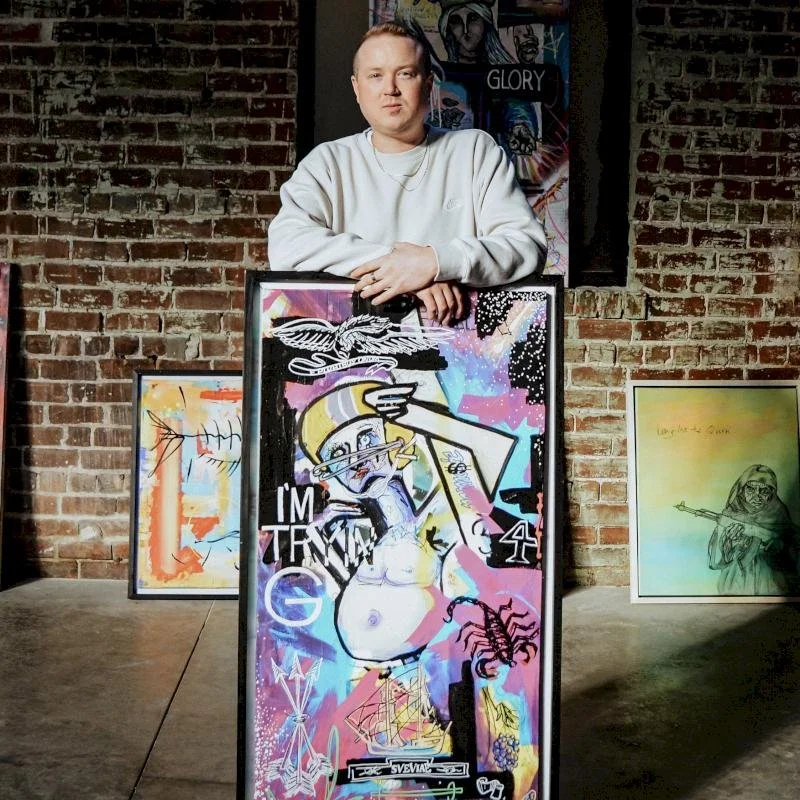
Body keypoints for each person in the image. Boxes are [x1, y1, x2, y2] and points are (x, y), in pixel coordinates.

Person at [267, 21, 546, 326]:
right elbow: (286, 245)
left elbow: (526, 246)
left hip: (456, 341)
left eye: (405, 74)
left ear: (428, 85)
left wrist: (436, 262)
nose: (390, 89)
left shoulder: (475, 152)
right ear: (357, 88)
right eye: (375, 75)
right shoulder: (327, 163)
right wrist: (405, 268)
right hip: (358, 342)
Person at [707, 464, 800, 596]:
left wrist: (775, 547)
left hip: (770, 583)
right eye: (750, 489)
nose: (757, 496)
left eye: (764, 491)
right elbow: (718, 558)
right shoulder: (730, 515)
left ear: (772, 493)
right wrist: (730, 543)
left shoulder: (779, 516)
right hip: (736, 582)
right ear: (742, 490)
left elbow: (792, 554)